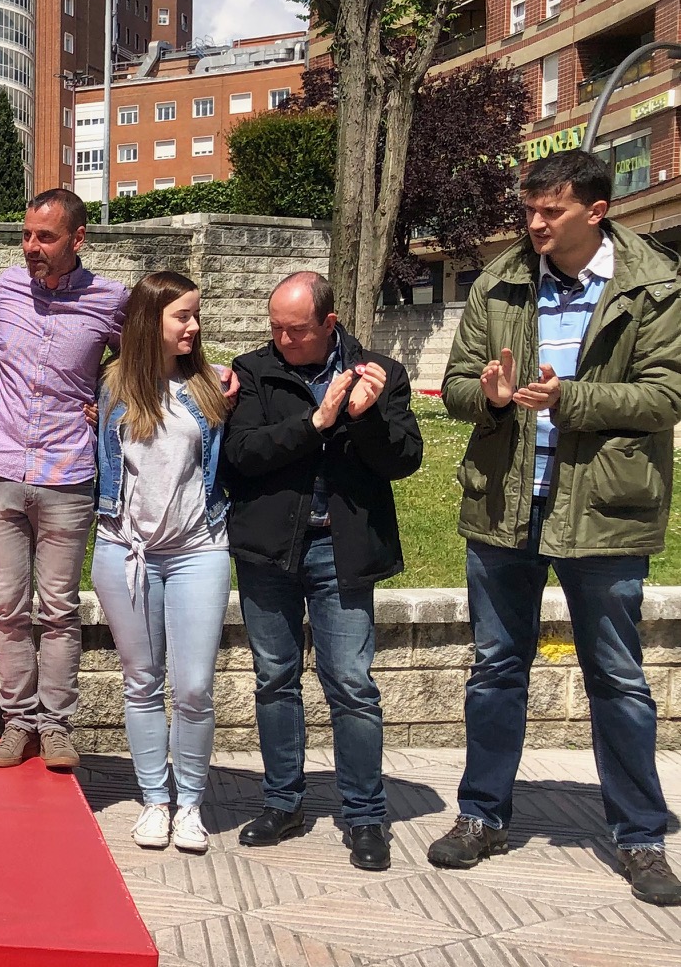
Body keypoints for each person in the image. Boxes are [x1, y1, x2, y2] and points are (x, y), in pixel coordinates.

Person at [432, 149, 681, 907]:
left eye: (552, 210)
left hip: (604, 511)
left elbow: (665, 395)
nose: (535, 222)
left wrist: (570, 399)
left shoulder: (654, 286)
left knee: (617, 677)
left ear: (596, 211)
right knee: (495, 668)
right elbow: (455, 387)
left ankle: (639, 835)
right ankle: (481, 815)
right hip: (505, 506)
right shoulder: (501, 280)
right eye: (530, 208)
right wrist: (496, 397)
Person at [223, 272, 423, 872]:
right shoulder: (255, 370)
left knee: (352, 686)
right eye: (275, 327)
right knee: (275, 678)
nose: (282, 339)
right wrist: (316, 423)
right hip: (269, 551)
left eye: (295, 330)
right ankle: (282, 802)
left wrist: (361, 418)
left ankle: (365, 815)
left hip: (342, 551)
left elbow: (405, 460)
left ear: (329, 324)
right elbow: (241, 455)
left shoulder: (377, 371)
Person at [0, 188, 128, 773]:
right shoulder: (6, 289)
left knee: (59, 608)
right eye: (27, 235)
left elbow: (153, 353)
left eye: (46, 237)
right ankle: (18, 723)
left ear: (78, 239)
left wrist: (106, 397)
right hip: (2, 468)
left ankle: (57, 725)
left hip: (67, 474)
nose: (31, 247)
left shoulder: (112, 300)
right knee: (9, 607)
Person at [92, 271, 232, 854]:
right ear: (151, 322)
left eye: (196, 315)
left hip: (199, 550)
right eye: (183, 316)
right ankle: (154, 800)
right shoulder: (114, 390)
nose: (195, 327)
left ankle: (191, 803)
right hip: (125, 551)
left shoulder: (209, 388)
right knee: (143, 682)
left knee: (195, 686)